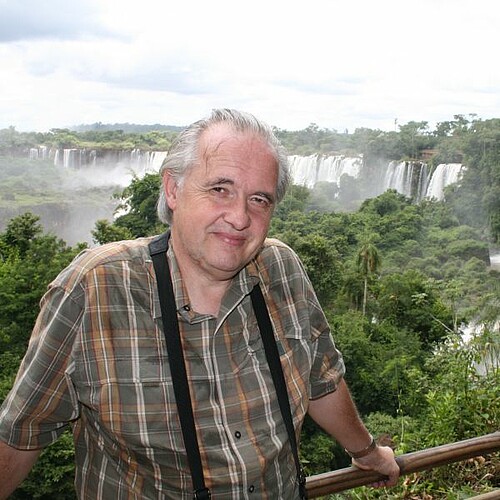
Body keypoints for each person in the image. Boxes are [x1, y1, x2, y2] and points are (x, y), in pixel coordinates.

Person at [0, 109, 399, 499]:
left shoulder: (283, 271)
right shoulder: (95, 290)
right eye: (220, 189)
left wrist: (366, 453)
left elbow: (321, 380)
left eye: (259, 199)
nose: (240, 217)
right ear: (173, 189)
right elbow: (21, 436)